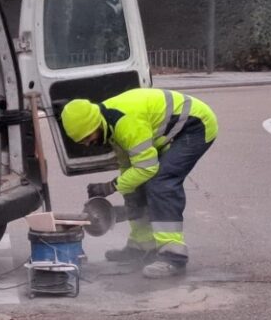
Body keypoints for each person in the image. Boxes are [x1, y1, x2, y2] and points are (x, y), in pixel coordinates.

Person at [61, 88, 218, 278]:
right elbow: (128, 166)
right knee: (134, 186)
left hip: (195, 126)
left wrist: (110, 186)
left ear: (96, 124)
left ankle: (174, 256)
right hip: (174, 131)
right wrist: (128, 192)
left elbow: (146, 168)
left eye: (88, 137)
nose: (87, 143)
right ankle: (142, 245)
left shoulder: (125, 123)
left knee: (161, 183)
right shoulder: (108, 126)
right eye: (82, 141)